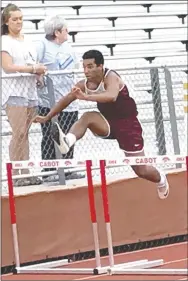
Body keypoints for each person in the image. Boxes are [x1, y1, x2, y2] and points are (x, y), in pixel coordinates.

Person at [33, 50, 169, 199]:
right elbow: (66, 99)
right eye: (84, 67)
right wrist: (47, 117)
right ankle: (67, 141)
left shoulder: (111, 77)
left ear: (100, 66)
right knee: (87, 117)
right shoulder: (84, 84)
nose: (86, 71)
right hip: (107, 122)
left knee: (141, 170)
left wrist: (86, 97)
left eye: (90, 67)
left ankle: (161, 179)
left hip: (128, 126)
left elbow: (111, 96)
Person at [1, 3, 47, 186]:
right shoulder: (4, 41)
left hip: (29, 90)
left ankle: (25, 172)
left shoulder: (27, 41)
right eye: (14, 19)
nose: (19, 22)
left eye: (20, 18)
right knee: (18, 132)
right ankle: (16, 174)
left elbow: (32, 62)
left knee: (25, 133)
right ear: (6, 21)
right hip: (13, 91)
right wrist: (32, 68)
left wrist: (37, 73)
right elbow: (7, 66)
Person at [35, 15, 83, 180]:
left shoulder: (68, 47)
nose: (67, 32)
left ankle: (68, 168)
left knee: (69, 134)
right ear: (56, 32)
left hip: (68, 99)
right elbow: (34, 65)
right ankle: (49, 171)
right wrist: (39, 78)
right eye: (65, 30)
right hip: (49, 101)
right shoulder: (42, 45)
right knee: (50, 135)